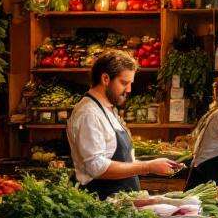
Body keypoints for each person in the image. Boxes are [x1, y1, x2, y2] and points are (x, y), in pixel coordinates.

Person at [67, 51, 181, 199]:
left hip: (119, 204)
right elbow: (96, 167)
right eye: (124, 83)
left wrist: (152, 165)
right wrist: (147, 166)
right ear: (105, 78)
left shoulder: (108, 109)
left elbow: (121, 160)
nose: (129, 90)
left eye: (130, 84)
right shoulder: (88, 113)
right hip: (101, 206)